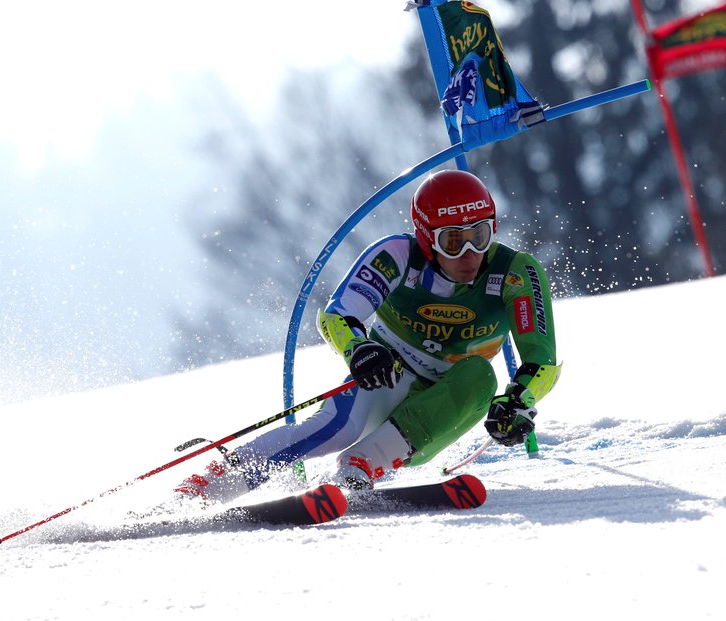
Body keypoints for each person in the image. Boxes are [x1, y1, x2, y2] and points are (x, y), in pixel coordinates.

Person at [175, 169, 560, 503]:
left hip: (444, 405)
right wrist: (359, 351)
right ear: (427, 239)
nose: (470, 253)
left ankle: (360, 467)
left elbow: (541, 360)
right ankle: (211, 483)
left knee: (480, 375)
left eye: (481, 234)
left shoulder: (515, 274)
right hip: (386, 373)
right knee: (337, 427)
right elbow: (336, 315)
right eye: (453, 242)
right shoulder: (397, 255)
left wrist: (517, 402)